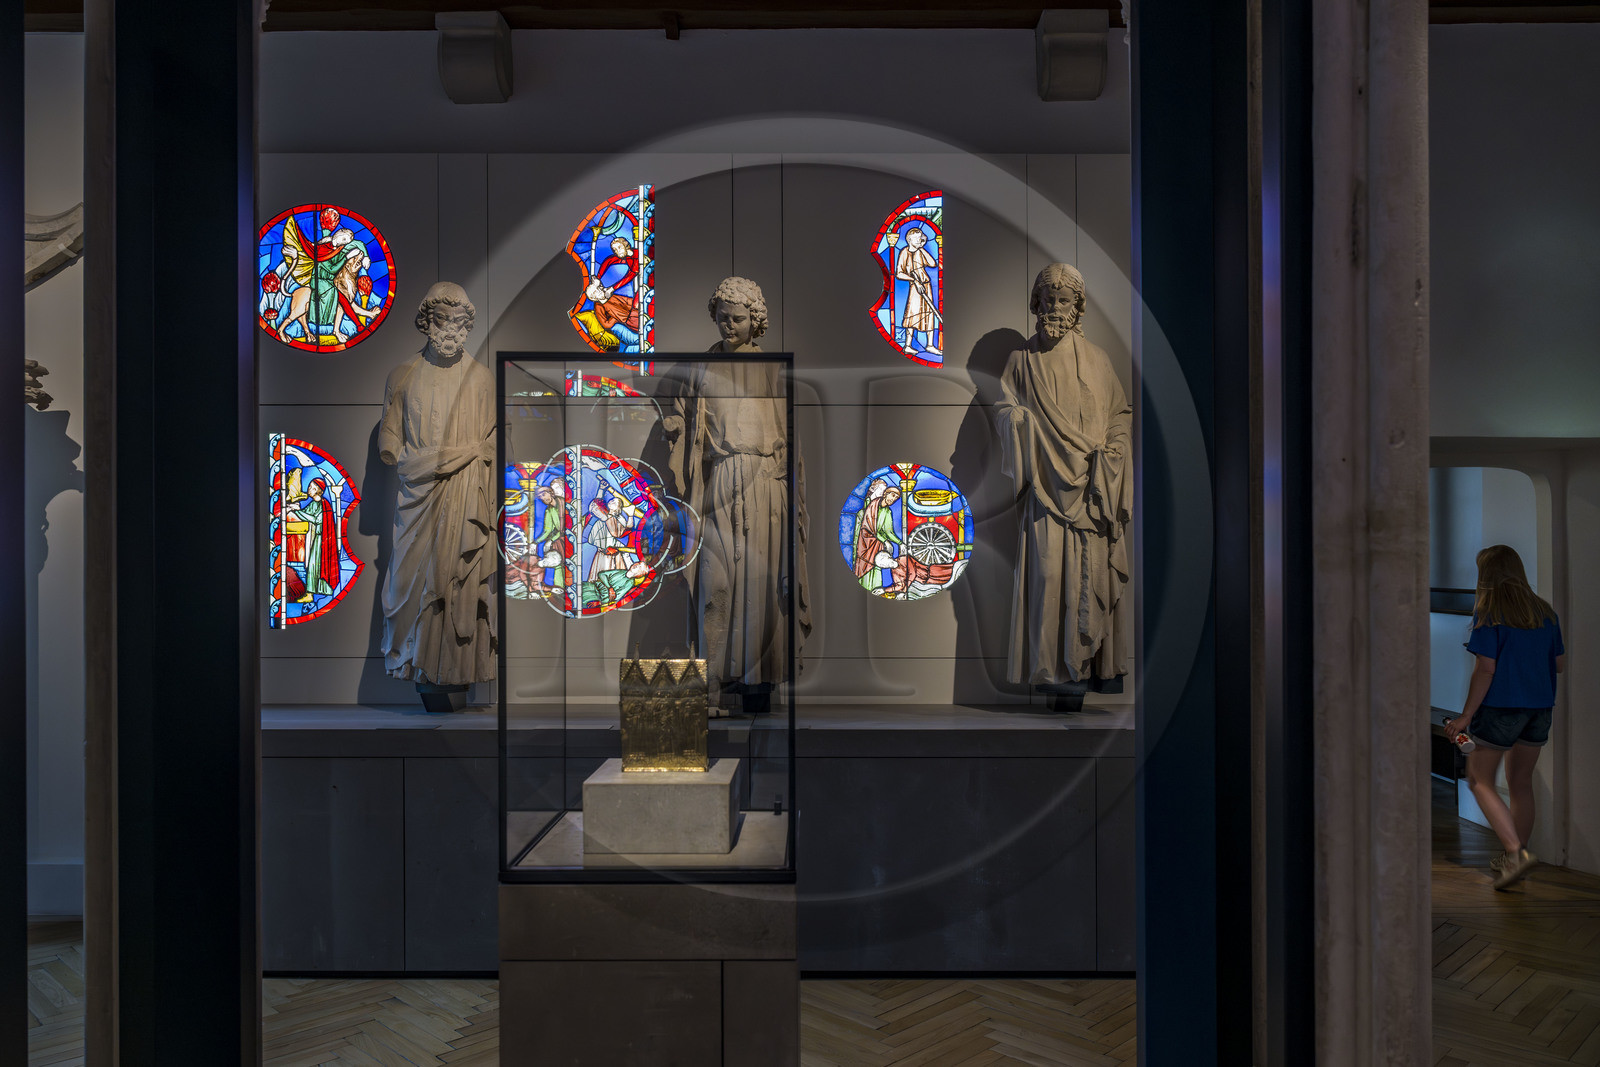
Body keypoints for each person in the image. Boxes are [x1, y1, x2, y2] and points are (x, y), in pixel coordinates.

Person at [992, 263, 1131, 711]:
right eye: (1048, 298)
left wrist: (1112, 450)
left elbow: (1119, 416)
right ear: (1036, 303)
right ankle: (1051, 671)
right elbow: (1004, 408)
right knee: (1049, 578)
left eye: (1064, 299)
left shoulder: (1098, 360)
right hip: (1046, 490)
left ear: (1078, 307)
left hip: (1091, 490)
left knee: (1085, 585)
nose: (1055, 306)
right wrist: (1018, 421)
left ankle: (1085, 671)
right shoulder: (1021, 360)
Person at [1444, 544, 1566, 890]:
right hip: (1540, 708)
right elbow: (1558, 664)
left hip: (1502, 709)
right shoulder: (1545, 612)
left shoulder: (1490, 613)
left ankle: (1515, 853)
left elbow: (1486, 669)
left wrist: (1466, 716)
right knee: (1521, 782)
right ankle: (1515, 858)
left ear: (1487, 575)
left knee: (1479, 779)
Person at [895, 226, 940, 356]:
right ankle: (907, 346)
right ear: (909, 240)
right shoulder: (904, 252)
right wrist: (914, 281)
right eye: (917, 239)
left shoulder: (921, 251)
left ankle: (930, 345)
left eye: (921, 239)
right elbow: (899, 273)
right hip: (915, 287)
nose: (919, 241)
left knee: (929, 313)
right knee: (912, 314)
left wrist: (922, 247)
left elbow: (932, 264)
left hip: (926, 285)